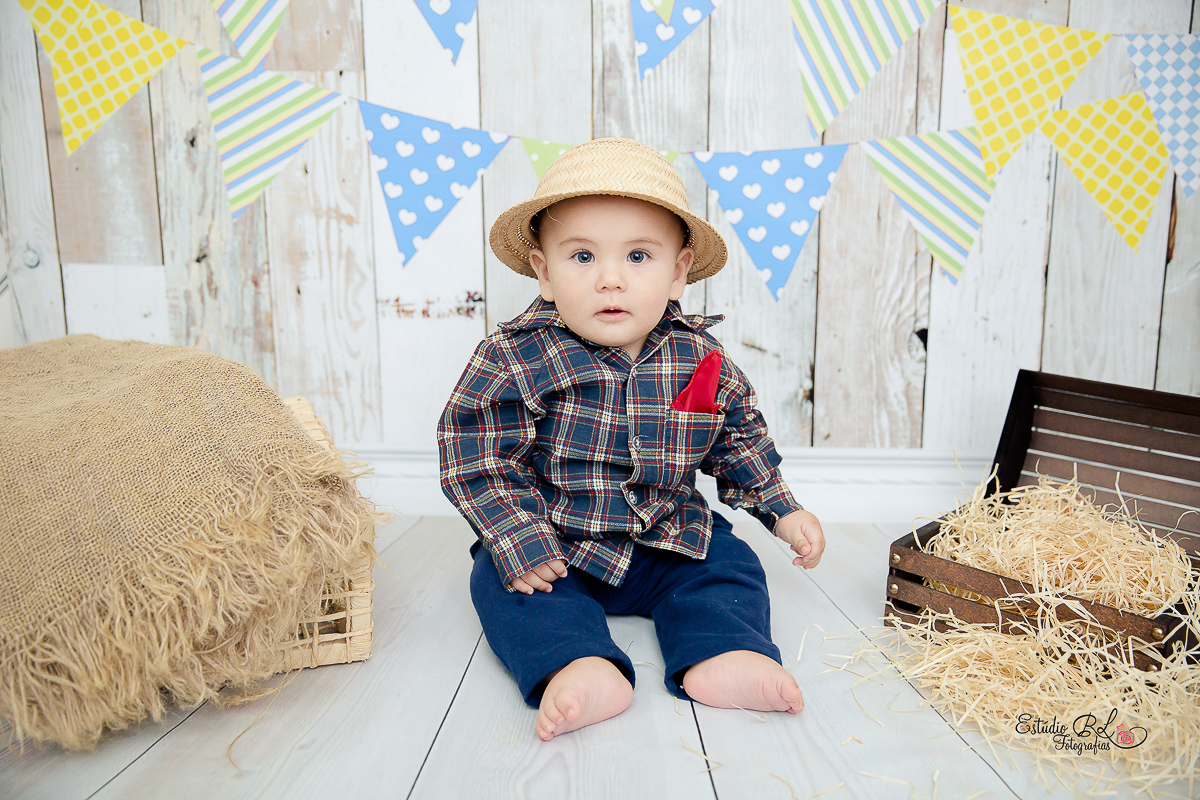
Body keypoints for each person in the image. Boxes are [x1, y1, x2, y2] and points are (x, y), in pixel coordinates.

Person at [438, 137, 825, 741]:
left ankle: (722, 653)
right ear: (543, 270)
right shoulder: (516, 355)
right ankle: (578, 663)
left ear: (678, 271)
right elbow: (478, 454)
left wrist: (782, 509)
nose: (611, 280)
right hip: (559, 545)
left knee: (730, 567)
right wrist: (518, 537)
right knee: (499, 580)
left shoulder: (700, 358)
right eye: (583, 257)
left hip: (667, 538)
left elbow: (736, 439)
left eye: (639, 257)